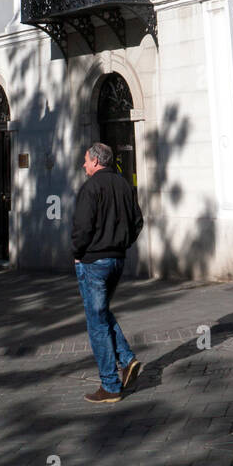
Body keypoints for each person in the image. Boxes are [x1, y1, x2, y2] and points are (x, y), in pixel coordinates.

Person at [72, 142, 144, 403]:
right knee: (101, 313)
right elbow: (138, 221)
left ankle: (110, 385)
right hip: (117, 260)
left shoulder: (91, 188)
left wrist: (78, 252)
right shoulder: (124, 185)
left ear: (95, 161)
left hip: (94, 262)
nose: (83, 165)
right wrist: (122, 243)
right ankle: (126, 359)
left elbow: (82, 226)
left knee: (96, 322)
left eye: (85, 161)